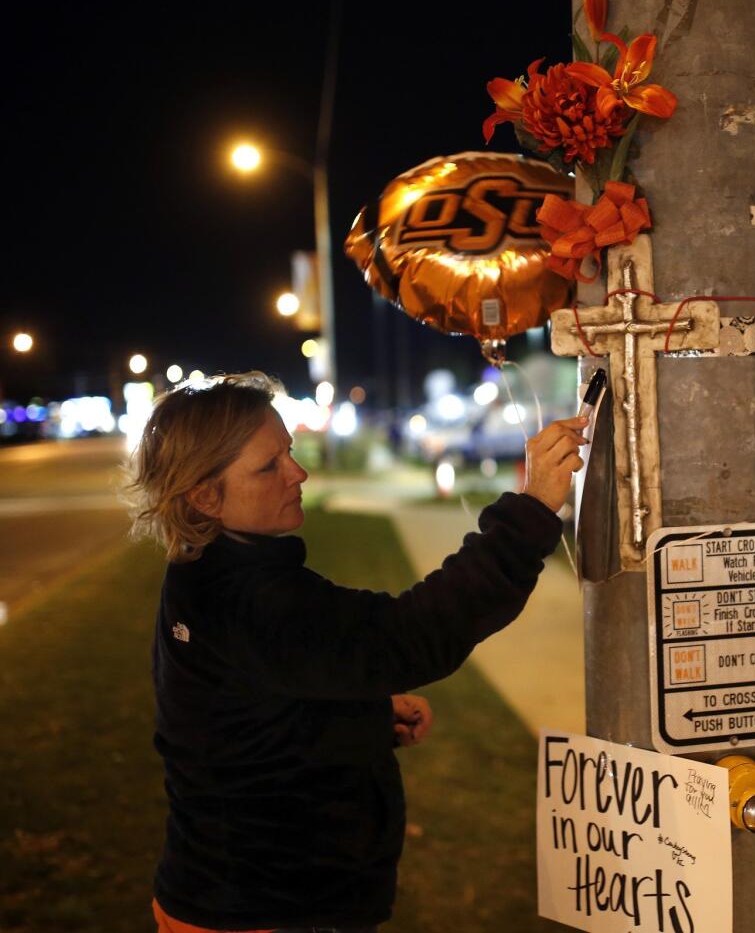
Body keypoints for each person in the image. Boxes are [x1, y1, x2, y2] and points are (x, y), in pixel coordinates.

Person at [125, 372, 586, 933]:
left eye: (289, 453)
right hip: (271, 910)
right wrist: (533, 509)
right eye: (269, 466)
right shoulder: (255, 599)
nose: (298, 473)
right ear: (204, 495)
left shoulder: (201, 571)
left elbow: (244, 716)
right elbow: (410, 636)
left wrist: (364, 712)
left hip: (219, 892)